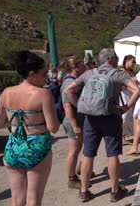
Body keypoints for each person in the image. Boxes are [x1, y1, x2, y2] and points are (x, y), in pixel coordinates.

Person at [65, 48, 140, 202]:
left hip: (90, 119)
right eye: (117, 57)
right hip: (111, 117)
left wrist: (80, 105)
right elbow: (137, 90)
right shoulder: (118, 74)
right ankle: (114, 191)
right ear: (111, 59)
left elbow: (68, 91)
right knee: (112, 154)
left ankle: (84, 191)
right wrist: (126, 107)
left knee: (87, 154)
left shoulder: (89, 74)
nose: (118, 60)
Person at [0, 51, 60, 205]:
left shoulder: (6, 92)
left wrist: (16, 122)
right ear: (32, 74)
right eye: (44, 74)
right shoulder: (43, 94)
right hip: (37, 147)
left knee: (17, 200)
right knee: (33, 200)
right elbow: (54, 127)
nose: (47, 78)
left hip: (13, 147)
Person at [59, 56, 87, 189]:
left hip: (78, 120)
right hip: (73, 121)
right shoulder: (68, 82)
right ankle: (72, 178)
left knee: (79, 147)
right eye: (82, 64)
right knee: (74, 150)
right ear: (76, 66)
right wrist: (75, 125)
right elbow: (67, 105)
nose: (85, 66)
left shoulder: (75, 80)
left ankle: (83, 169)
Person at [120, 55, 137, 145]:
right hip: (123, 96)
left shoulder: (131, 72)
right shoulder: (122, 72)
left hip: (131, 96)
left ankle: (125, 136)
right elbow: (120, 85)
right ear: (127, 61)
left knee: (129, 117)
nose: (134, 63)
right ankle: (122, 137)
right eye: (133, 61)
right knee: (124, 117)